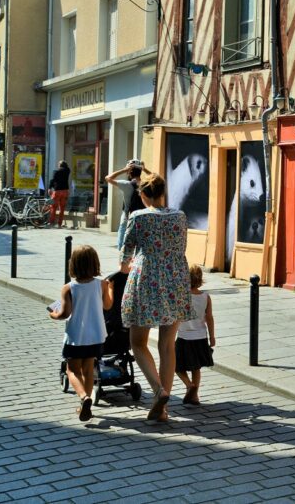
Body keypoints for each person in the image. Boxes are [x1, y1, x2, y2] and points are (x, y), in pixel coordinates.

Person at [120, 173, 192, 421]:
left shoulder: (138, 217)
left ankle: (158, 390)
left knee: (138, 342)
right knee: (167, 345)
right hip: (176, 280)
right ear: (163, 193)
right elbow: (181, 247)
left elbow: (125, 257)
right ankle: (163, 407)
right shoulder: (180, 216)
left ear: (143, 195)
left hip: (147, 279)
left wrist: (126, 266)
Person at [49, 245, 113, 422]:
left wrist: (52, 314)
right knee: (88, 369)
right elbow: (107, 306)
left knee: (72, 370)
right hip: (96, 336)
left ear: (73, 265)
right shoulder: (101, 284)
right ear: (95, 263)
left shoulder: (69, 288)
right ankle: (88, 405)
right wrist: (111, 289)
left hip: (76, 336)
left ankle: (84, 397)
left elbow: (65, 313)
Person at [175, 265, 215, 406]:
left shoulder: (181, 296)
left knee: (176, 365)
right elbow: (209, 318)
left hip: (184, 336)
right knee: (196, 367)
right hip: (201, 336)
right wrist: (212, 336)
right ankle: (195, 396)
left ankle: (189, 385)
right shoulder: (206, 297)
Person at [105, 160, 148, 250]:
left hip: (127, 216)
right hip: (143, 217)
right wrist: (145, 169)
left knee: (123, 246)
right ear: (140, 171)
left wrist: (124, 170)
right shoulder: (146, 184)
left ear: (129, 172)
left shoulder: (126, 184)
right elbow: (158, 178)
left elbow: (108, 178)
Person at [49, 161, 71, 228]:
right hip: (65, 191)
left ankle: (51, 223)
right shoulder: (68, 171)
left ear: (60, 165)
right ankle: (59, 224)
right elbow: (67, 168)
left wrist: (50, 188)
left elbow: (53, 180)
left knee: (53, 207)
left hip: (57, 191)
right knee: (62, 208)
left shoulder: (57, 172)